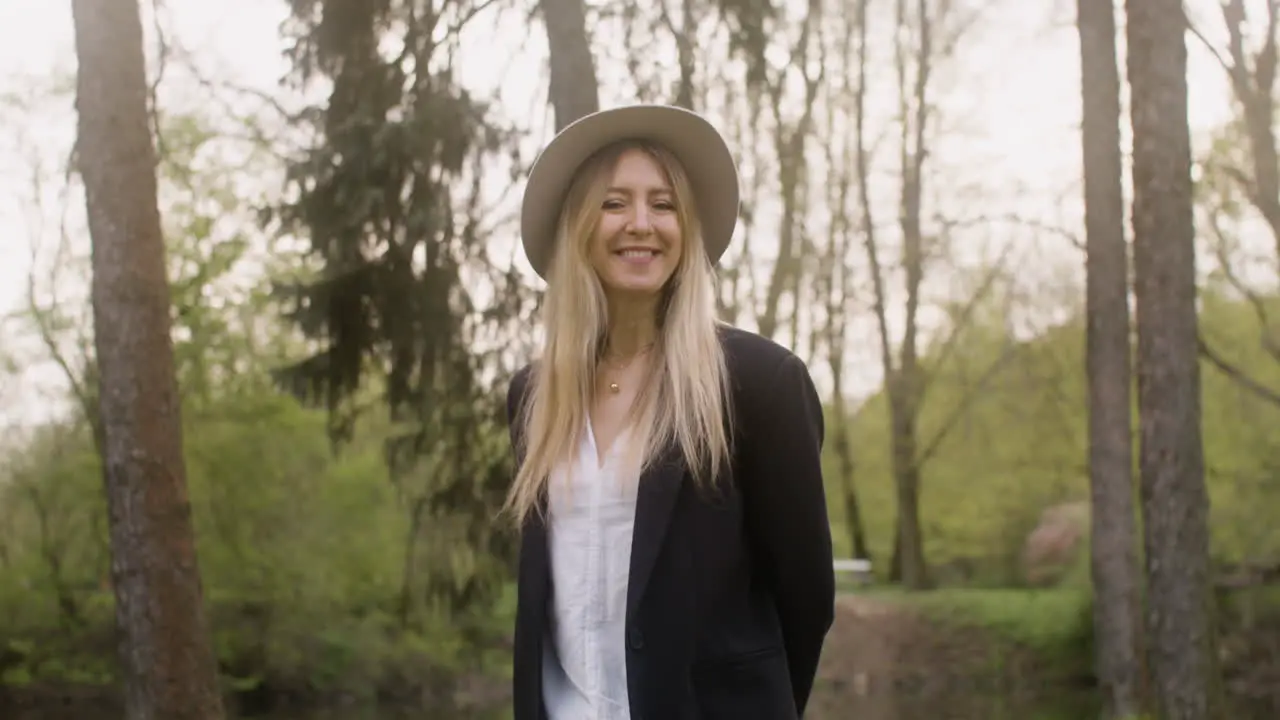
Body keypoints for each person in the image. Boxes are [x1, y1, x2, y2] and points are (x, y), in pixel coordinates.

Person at [503, 104, 835, 720]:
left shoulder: (759, 384)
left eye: (663, 204)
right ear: (578, 225)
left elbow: (807, 599)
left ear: (687, 226)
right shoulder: (534, 396)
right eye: (613, 203)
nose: (640, 224)